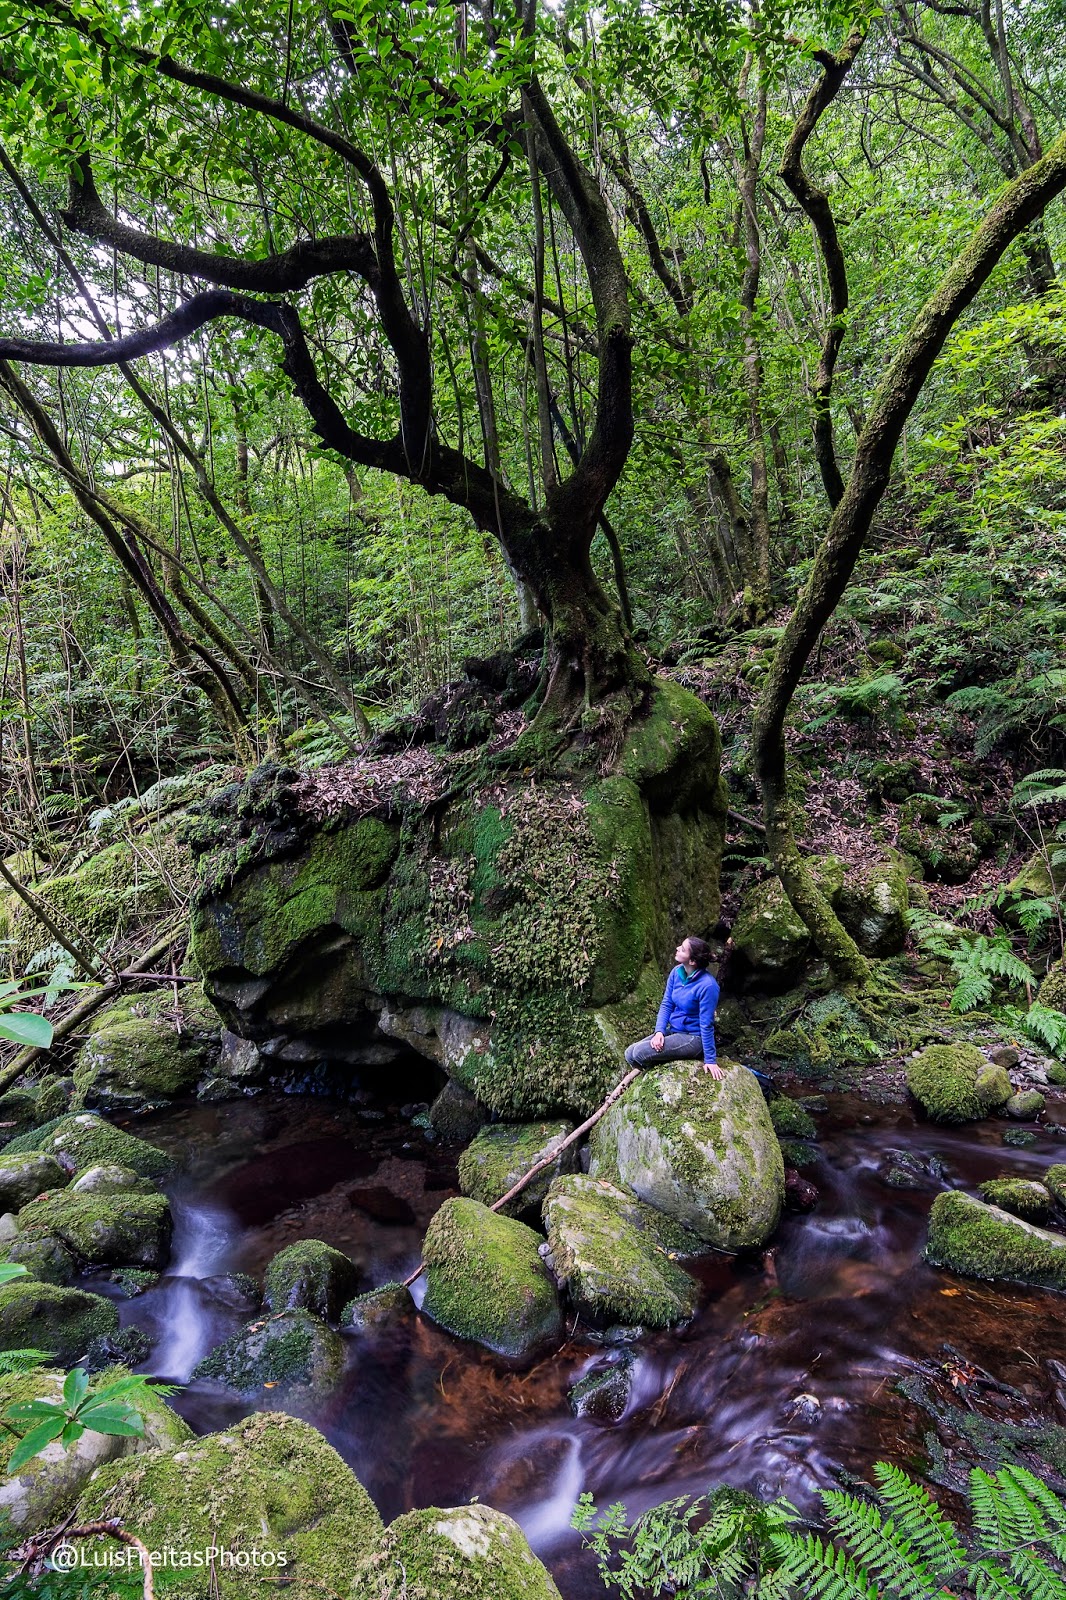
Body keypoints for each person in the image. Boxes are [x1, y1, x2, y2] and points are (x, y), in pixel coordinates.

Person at [624, 935, 724, 1079]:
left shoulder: (708, 986)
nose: (677, 948)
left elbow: (706, 1024)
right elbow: (667, 1004)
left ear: (692, 961)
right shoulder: (676, 972)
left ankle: (657, 1068)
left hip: (694, 1038)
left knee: (640, 1053)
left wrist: (710, 1060)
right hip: (675, 1030)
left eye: (682, 949)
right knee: (629, 1054)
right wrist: (659, 1032)